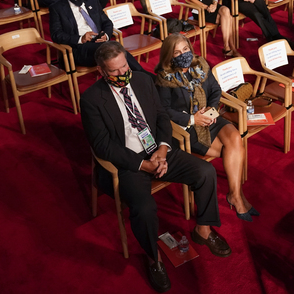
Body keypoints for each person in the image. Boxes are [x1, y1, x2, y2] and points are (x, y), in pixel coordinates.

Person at [80, 41, 232, 292]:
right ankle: (154, 258)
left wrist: (162, 149)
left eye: (124, 66)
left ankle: (203, 230)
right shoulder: (91, 99)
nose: (123, 73)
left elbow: (162, 116)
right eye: (115, 71)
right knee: (144, 208)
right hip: (129, 162)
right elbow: (103, 145)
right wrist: (143, 164)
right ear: (101, 71)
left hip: (159, 150)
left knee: (205, 172)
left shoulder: (143, 80)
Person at [156, 34, 256, 220]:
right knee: (231, 150)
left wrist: (211, 109)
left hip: (210, 118)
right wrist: (193, 119)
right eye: (177, 52)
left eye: (185, 49)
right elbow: (164, 110)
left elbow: (215, 90)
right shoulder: (164, 78)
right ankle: (237, 196)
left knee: (235, 139)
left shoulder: (200, 65)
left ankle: (235, 195)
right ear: (170, 56)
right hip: (188, 128)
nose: (183, 54)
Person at [49, 0, 147, 74]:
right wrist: (80, 39)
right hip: (79, 48)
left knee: (114, 49)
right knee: (111, 49)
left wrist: (106, 35)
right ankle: (143, 75)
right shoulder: (57, 8)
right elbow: (56, 34)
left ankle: (140, 76)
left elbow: (107, 22)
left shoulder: (92, 1)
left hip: (100, 42)